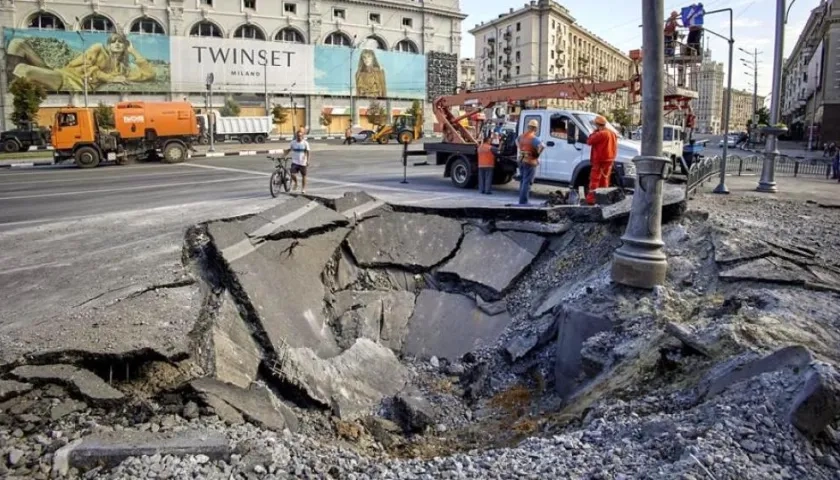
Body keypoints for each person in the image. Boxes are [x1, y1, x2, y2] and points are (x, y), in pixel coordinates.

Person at [6, 33, 156, 92]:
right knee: (17, 43)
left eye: (121, 42)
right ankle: (11, 88)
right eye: (113, 41)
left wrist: (133, 51)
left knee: (25, 70)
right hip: (61, 72)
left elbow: (149, 74)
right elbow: (83, 65)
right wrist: (109, 77)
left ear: (125, 46)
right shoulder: (98, 48)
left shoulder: (123, 69)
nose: (116, 44)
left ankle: (15, 88)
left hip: (68, 82)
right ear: (108, 44)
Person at [585, 115, 618, 205]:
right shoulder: (612, 133)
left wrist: (594, 132)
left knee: (594, 180)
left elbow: (589, 141)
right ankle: (603, 199)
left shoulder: (600, 134)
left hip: (600, 160)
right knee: (605, 180)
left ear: (597, 124)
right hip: (609, 160)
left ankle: (592, 199)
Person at [517, 119, 544, 205]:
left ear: (528, 127)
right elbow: (542, 146)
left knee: (522, 180)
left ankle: (521, 200)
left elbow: (516, 142)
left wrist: (521, 148)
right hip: (530, 161)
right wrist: (537, 154)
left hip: (521, 159)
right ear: (535, 129)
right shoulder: (534, 138)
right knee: (527, 182)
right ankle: (524, 201)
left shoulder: (521, 136)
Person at [289, 129, 311, 194]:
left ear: (302, 136)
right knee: (292, 174)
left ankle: (303, 188)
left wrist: (308, 161)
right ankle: (296, 183)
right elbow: (289, 149)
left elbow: (308, 152)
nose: (299, 137)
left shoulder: (305, 143)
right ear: (296, 136)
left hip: (303, 162)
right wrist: (283, 155)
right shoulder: (293, 142)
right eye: (298, 136)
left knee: (304, 176)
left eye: (300, 136)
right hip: (295, 162)